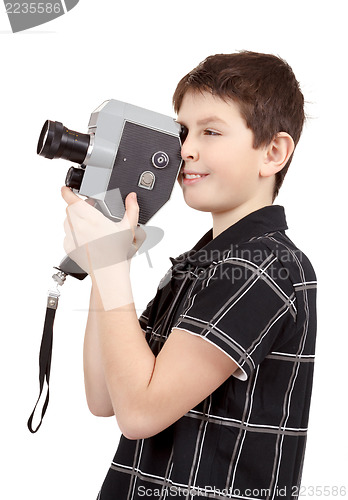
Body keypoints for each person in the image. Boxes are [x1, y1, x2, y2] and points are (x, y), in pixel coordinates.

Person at [61, 51, 317, 500]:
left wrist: (109, 264)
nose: (185, 150)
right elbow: (105, 397)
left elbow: (139, 414)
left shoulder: (263, 266)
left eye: (211, 131)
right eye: (182, 132)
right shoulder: (197, 265)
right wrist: (107, 266)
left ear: (273, 152)